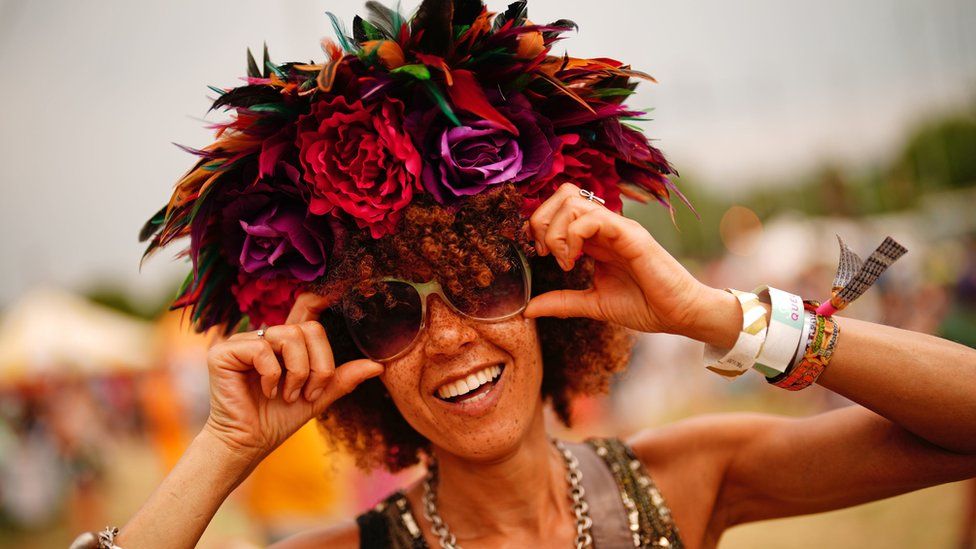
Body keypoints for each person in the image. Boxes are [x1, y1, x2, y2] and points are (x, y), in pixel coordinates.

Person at [78, 2, 976, 547]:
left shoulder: (695, 475)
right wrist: (223, 451)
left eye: (481, 281)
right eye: (389, 312)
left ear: (549, 290)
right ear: (354, 358)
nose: (450, 336)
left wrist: (719, 315)